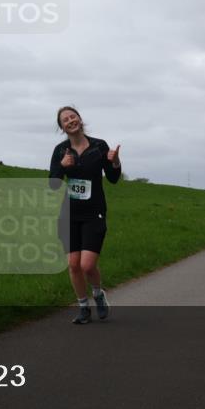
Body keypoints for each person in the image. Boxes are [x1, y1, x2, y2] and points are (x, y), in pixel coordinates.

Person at [48, 106, 121, 324]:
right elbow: (53, 184)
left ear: (80, 119)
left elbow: (113, 178)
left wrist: (115, 162)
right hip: (69, 214)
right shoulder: (61, 151)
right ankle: (83, 307)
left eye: (73, 116)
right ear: (62, 127)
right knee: (73, 264)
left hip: (94, 213)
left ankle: (98, 295)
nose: (71, 121)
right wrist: (62, 167)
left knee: (87, 265)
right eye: (65, 120)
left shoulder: (99, 146)